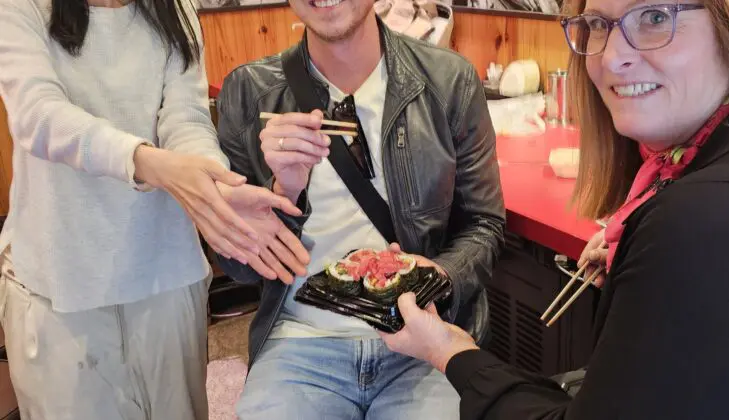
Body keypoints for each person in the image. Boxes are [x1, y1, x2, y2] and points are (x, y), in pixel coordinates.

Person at [380, 0, 729, 419]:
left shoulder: (714, 217)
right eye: (599, 24)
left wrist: (451, 350)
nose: (610, 57)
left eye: (655, 17)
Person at [0, 0, 301, 418]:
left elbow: (186, 119)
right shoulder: (22, 7)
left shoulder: (175, 8)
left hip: (166, 276)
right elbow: (38, 116)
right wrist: (148, 162)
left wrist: (216, 186)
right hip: (62, 285)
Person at [212, 0, 506, 418]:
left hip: (425, 341)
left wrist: (440, 276)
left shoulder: (449, 79)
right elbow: (237, 267)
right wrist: (285, 191)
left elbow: (484, 224)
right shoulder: (249, 90)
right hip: (301, 341)